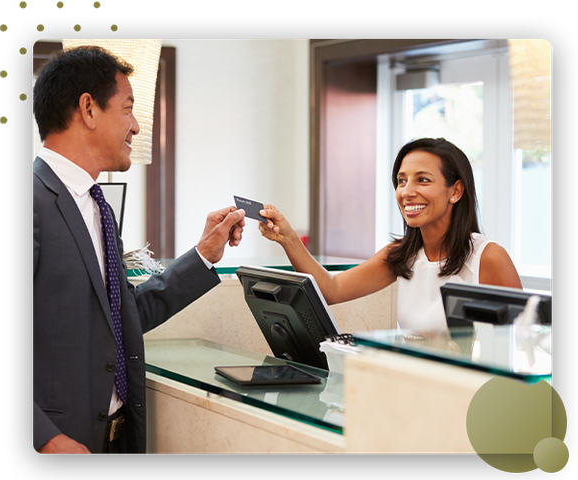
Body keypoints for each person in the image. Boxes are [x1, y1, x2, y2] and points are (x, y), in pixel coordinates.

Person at [33, 46, 246, 454]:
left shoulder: (99, 208)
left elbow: (123, 317)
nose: (135, 127)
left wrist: (203, 255)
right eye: (128, 108)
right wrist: (46, 438)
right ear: (88, 110)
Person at [259, 137, 522, 331]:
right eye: (401, 180)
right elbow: (331, 290)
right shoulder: (400, 255)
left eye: (423, 180)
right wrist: (288, 238)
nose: (407, 192)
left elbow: (521, 345)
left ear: (455, 191)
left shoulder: (488, 258)